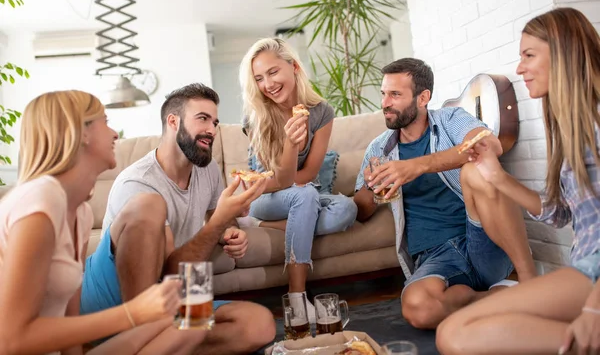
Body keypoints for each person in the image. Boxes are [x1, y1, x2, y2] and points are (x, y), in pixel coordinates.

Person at [436, 7, 600, 355]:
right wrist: (497, 176)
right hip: (585, 268)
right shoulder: (573, 128)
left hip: (595, 275)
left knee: (457, 334)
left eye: (529, 55)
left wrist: (593, 308)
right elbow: (559, 215)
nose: (520, 68)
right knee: (457, 332)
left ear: (565, 53)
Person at [80, 83, 276, 354]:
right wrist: (220, 220)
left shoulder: (205, 169)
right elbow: (170, 269)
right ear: (173, 121)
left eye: (215, 121)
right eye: (202, 119)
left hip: (175, 292)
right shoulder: (138, 182)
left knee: (259, 325)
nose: (212, 129)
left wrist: (230, 230)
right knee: (148, 207)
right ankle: (146, 339)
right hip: (119, 299)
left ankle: (165, 346)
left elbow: (214, 221)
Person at [0, 90, 193, 355]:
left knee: (192, 320)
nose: (115, 134)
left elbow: (69, 321)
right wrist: (132, 313)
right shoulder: (40, 201)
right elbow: (10, 341)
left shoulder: (79, 211)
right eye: (105, 121)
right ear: (82, 132)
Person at [353, 57, 537, 330]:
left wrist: (415, 166)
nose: (385, 103)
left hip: (482, 238)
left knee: (475, 170)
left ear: (422, 97)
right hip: (435, 258)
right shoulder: (378, 150)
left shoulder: (450, 119)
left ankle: (530, 282)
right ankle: (497, 297)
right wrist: (370, 186)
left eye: (395, 94)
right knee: (418, 309)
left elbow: (489, 145)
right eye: (383, 94)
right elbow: (361, 210)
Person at [238, 37, 358, 320]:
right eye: (259, 78)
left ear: (293, 67)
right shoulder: (257, 116)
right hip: (264, 197)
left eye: (273, 72)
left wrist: (300, 184)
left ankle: (265, 226)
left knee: (346, 208)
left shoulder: (321, 112)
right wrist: (290, 144)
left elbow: (309, 174)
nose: (267, 84)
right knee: (305, 195)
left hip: (305, 191)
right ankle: (297, 298)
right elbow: (275, 180)